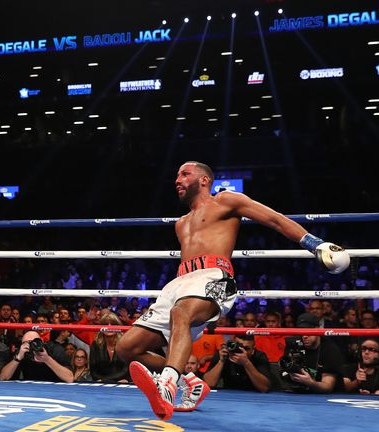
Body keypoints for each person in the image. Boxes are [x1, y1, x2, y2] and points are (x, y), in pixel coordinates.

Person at [116, 161, 350, 420]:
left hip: (215, 276)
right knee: (127, 348)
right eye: (176, 175)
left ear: (204, 180)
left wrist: (314, 243)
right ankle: (190, 383)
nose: (177, 179)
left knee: (181, 313)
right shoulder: (180, 223)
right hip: (179, 282)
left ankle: (168, 385)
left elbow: (273, 218)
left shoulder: (225, 201)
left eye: (185, 174)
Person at [202, 335, 273, 393]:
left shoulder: (259, 356)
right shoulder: (224, 354)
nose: (242, 351)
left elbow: (264, 388)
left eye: (246, 348)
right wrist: (221, 361)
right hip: (228, 395)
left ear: (253, 349)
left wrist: (246, 363)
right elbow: (208, 384)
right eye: (239, 347)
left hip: (254, 396)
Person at [0, 331, 73, 383]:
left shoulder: (55, 350)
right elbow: (3, 378)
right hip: (30, 391)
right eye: (26, 343)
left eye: (34, 342)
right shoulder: (22, 353)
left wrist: (47, 359)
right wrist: (18, 358)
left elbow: (69, 378)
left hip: (56, 390)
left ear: (41, 341)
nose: (31, 346)